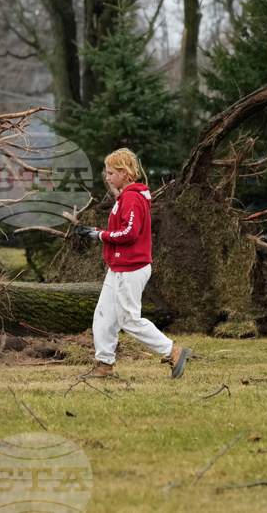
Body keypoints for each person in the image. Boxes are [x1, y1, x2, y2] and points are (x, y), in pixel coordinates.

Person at [74, 148, 191, 379]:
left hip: (131, 267)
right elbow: (121, 229)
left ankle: (173, 351)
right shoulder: (125, 197)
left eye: (111, 173)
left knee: (129, 320)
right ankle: (104, 365)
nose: (107, 177)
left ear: (124, 173)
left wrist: (99, 235)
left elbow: (129, 233)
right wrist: (95, 232)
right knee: (103, 317)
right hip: (119, 267)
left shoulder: (132, 198)